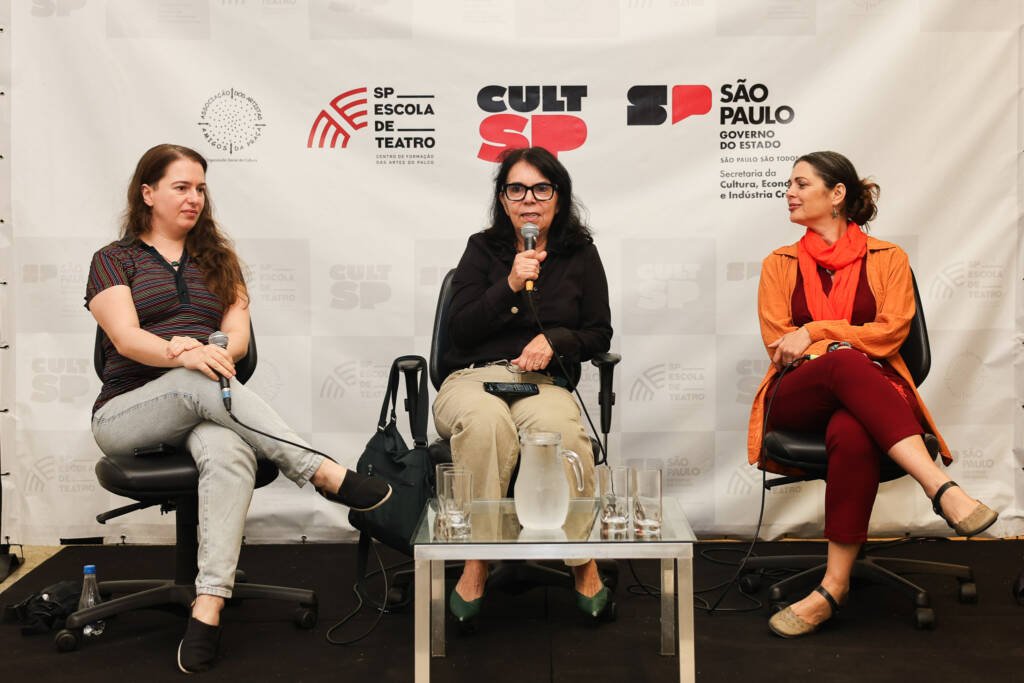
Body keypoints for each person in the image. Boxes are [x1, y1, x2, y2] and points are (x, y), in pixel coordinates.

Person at [85, 144, 392, 673]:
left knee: (230, 450)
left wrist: (212, 353)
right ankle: (323, 472)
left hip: (208, 406)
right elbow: (127, 337)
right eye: (181, 187)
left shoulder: (221, 262)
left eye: (200, 188)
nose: (194, 198)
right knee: (195, 380)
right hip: (128, 415)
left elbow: (238, 341)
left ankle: (207, 606)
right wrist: (184, 349)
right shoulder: (114, 259)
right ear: (148, 192)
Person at [748, 151, 998, 638]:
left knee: (853, 429)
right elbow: (783, 344)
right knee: (842, 359)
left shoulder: (889, 259)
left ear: (836, 194)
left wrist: (818, 330)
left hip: (873, 395)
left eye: (801, 184)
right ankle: (941, 488)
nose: (790, 193)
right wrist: (835, 342)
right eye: (789, 184)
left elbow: (890, 334)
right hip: (798, 394)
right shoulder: (778, 264)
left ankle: (830, 589)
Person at [432, 146, 613, 624]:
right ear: (503, 198)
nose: (528, 200)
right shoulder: (482, 248)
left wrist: (555, 339)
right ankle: (477, 559)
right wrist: (509, 284)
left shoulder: (580, 253)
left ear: (558, 195)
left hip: (541, 382)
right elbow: (461, 330)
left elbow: (599, 333)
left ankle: (581, 561)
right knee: (485, 421)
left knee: (561, 432)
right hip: (473, 377)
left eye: (540, 189)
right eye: (516, 189)